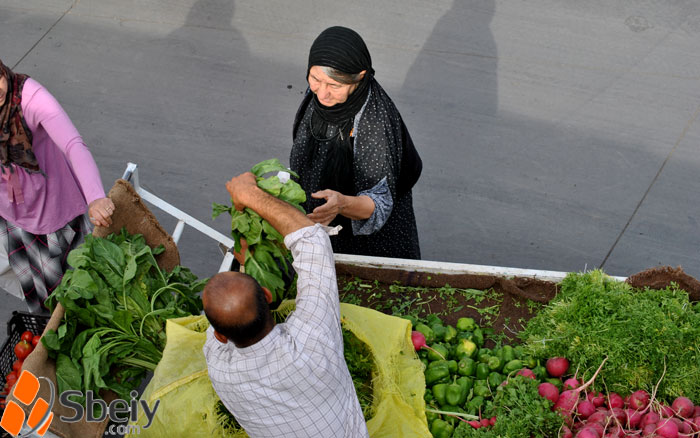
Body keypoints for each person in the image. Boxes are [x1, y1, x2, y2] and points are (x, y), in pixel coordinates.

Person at [202, 171, 369, 438]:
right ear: (267, 296)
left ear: (220, 336)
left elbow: (226, 319)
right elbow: (313, 242)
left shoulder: (219, 368)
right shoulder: (314, 342)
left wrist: (245, 260)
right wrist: (250, 195)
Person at [290, 26, 422, 259]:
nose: (322, 93)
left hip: (368, 242)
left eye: (335, 86)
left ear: (360, 78)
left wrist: (341, 205)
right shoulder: (320, 97)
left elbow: (378, 203)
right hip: (324, 219)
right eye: (315, 79)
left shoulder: (374, 122)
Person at [0, 59, 114, 313]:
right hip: (9, 213)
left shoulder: (31, 97)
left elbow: (73, 145)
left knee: (72, 299)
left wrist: (95, 197)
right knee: (37, 296)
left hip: (51, 214)